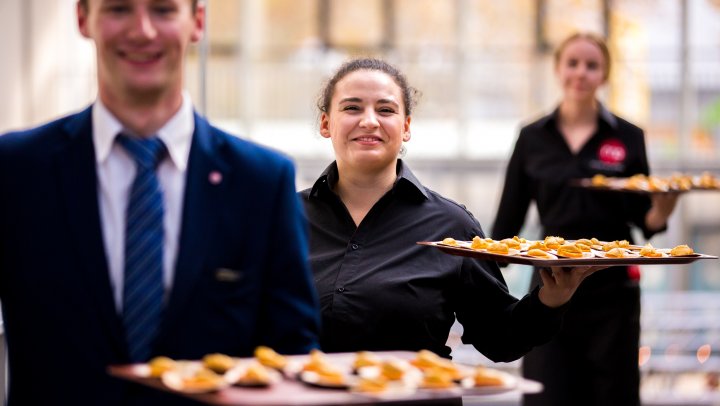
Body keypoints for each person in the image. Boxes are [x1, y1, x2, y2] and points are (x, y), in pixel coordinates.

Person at [0, 0, 319, 405]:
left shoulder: (262, 182)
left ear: (197, 22)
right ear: (83, 19)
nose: (143, 30)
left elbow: (291, 353)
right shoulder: (17, 170)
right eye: (118, 9)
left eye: (163, 10)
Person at [299, 57, 606, 363]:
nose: (369, 121)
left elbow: (499, 338)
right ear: (326, 124)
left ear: (405, 127)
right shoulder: (284, 219)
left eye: (385, 110)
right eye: (352, 108)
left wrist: (551, 300)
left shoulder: (451, 226)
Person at [491, 32, 678, 406]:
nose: (581, 72)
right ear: (558, 69)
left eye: (592, 65)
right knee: (547, 392)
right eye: (572, 63)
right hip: (549, 285)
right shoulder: (531, 137)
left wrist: (665, 206)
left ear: (605, 74)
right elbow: (504, 228)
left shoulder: (628, 136)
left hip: (613, 290)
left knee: (614, 394)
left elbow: (647, 220)